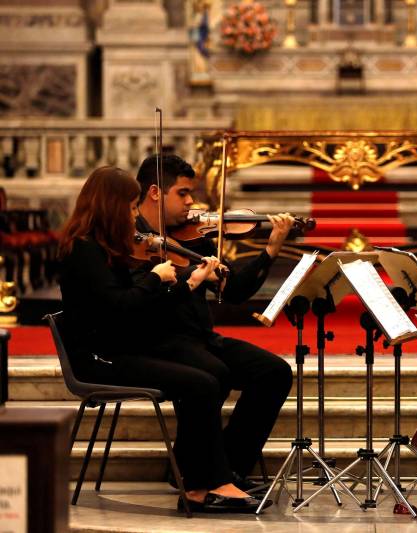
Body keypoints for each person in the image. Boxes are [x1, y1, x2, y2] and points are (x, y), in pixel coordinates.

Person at [58, 166, 263, 513]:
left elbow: (141, 307)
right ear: (111, 205)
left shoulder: (107, 248)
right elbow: (119, 308)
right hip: (99, 358)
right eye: (129, 206)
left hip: (123, 349)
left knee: (208, 377)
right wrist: (154, 278)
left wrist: (187, 284)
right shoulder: (84, 250)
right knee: (200, 383)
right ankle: (207, 483)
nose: (134, 214)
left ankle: (203, 482)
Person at [134, 154, 294, 501]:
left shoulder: (191, 239)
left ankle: (228, 468)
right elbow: (136, 304)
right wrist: (186, 280)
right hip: (157, 342)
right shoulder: (129, 239)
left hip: (199, 338)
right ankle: (202, 474)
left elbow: (234, 290)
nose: (192, 203)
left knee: (274, 372)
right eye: (183, 193)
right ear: (155, 193)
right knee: (214, 373)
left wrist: (270, 250)